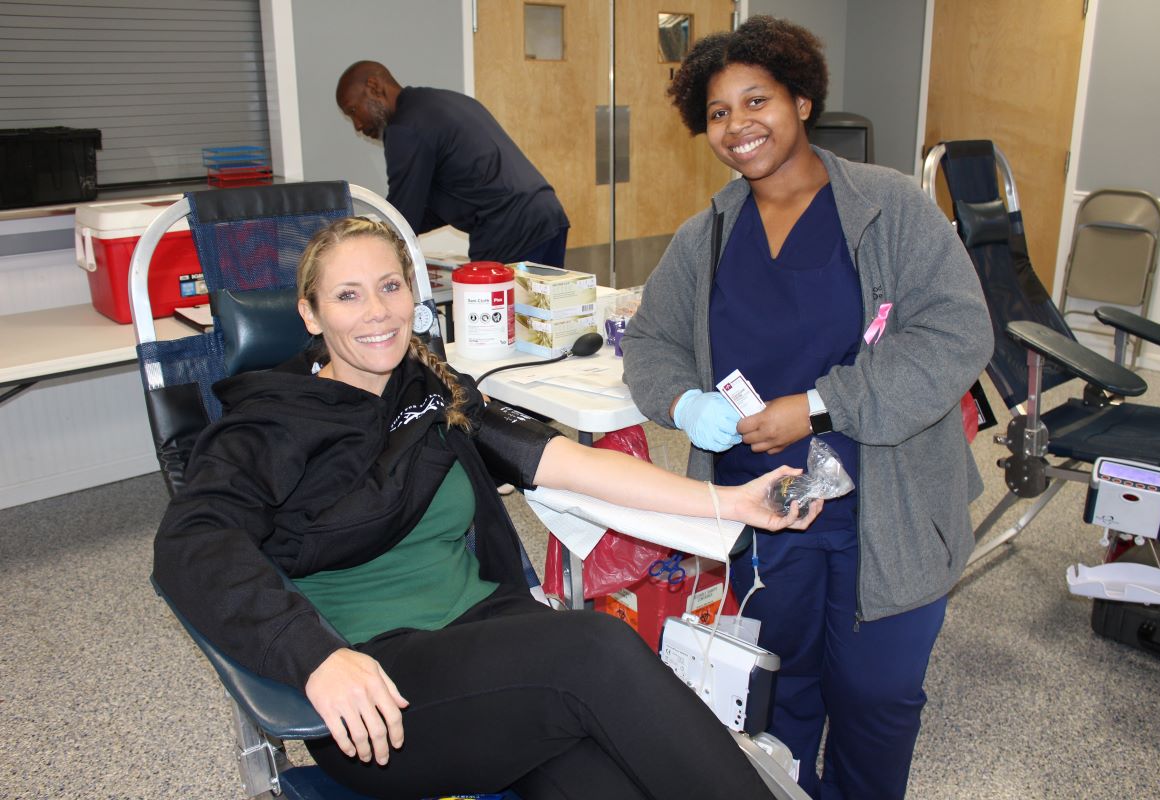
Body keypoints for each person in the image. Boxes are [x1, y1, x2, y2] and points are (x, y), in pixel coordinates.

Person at [153, 216, 825, 800]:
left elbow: (571, 463)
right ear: (310, 314)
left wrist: (730, 502)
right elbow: (192, 538)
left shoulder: (431, 389)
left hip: (490, 640)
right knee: (595, 650)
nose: (377, 312)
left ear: (414, 294)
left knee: (605, 771)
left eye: (390, 287)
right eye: (348, 295)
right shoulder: (268, 425)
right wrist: (315, 658)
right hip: (376, 688)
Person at [620, 16, 993, 800]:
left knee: (876, 697)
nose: (738, 125)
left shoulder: (888, 209)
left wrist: (821, 406)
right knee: (778, 687)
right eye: (718, 112)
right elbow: (651, 340)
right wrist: (685, 403)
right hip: (764, 510)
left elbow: (958, 333)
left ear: (801, 101)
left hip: (886, 506)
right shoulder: (708, 235)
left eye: (756, 101)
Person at [336, 61, 570, 267]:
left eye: (354, 110)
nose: (357, 125)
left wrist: (360, 251)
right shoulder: (444, 103)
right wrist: (379, 225)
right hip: (547, 215)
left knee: (488, 304)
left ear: (374, 87)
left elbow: (403, 217)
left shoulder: (405, 129)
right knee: (544, 305)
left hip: (508, 229)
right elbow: (442, 202)